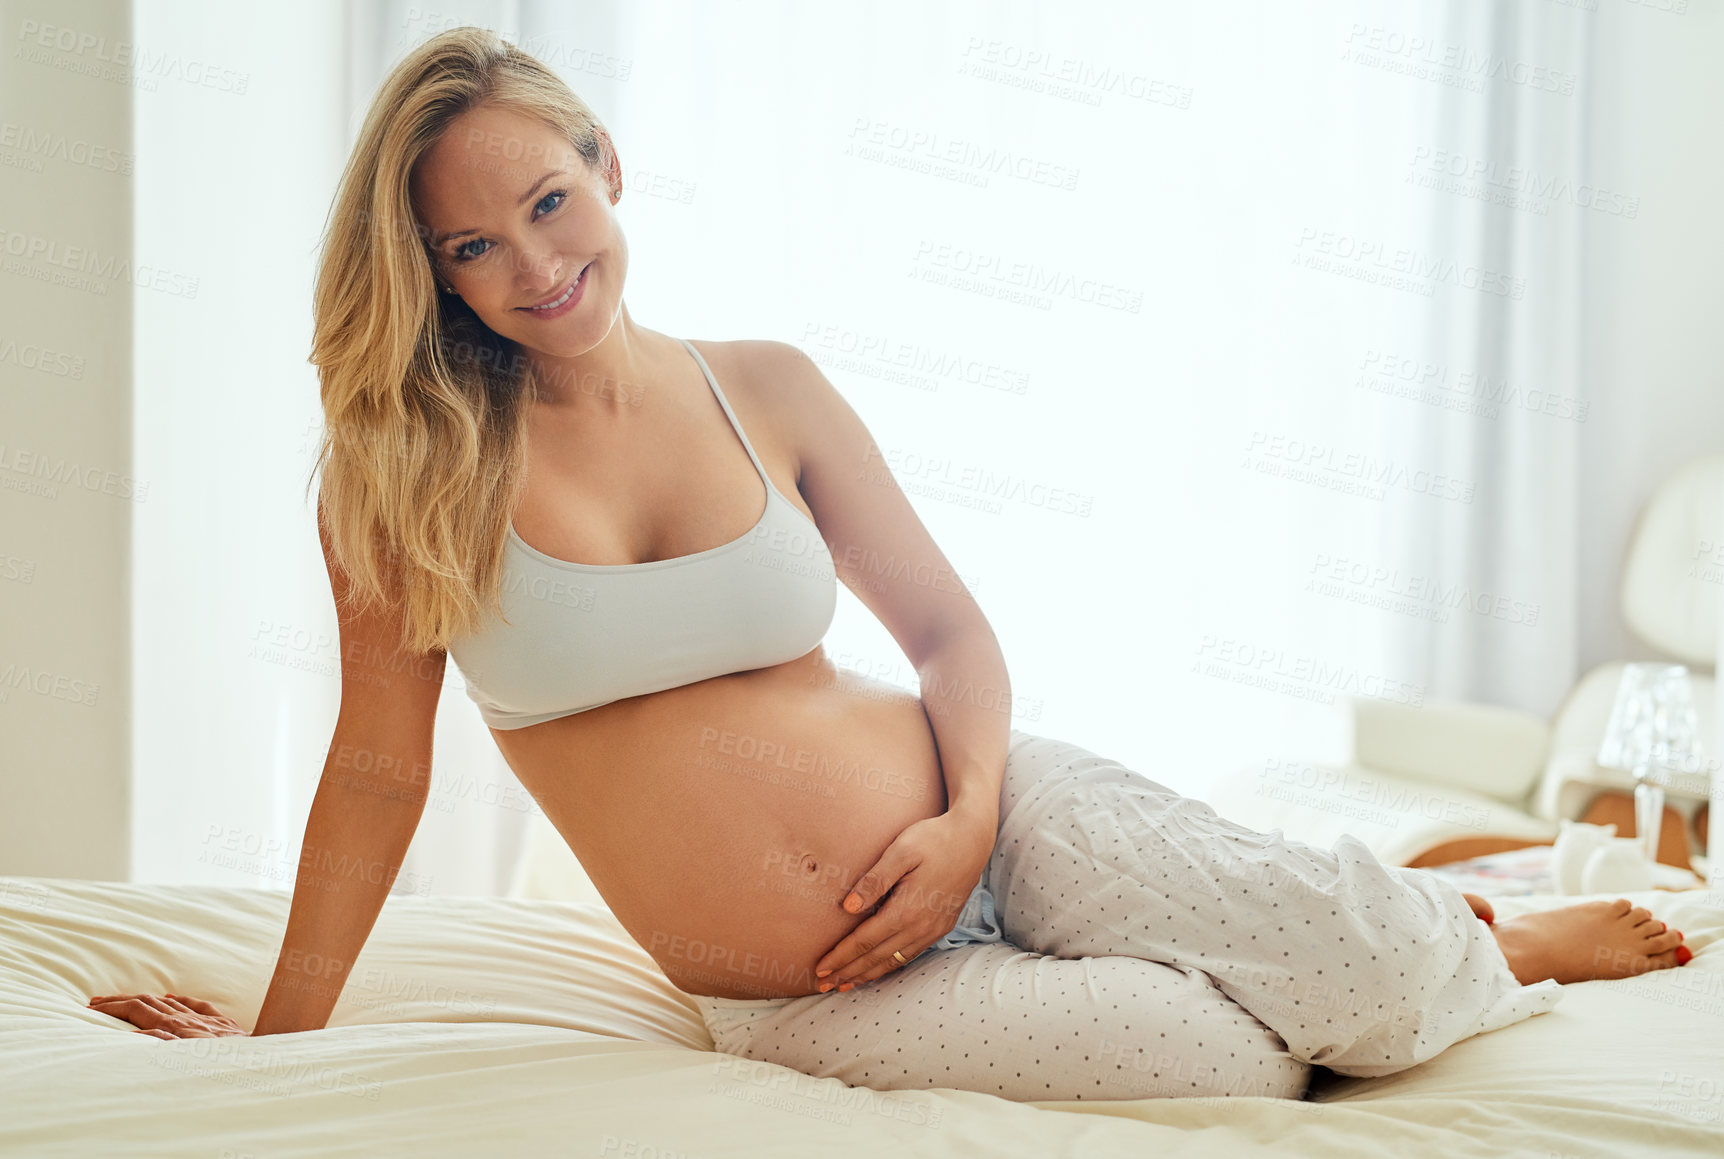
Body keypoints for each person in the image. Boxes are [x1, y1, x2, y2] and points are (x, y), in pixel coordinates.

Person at [90, 27, 1691, 1102]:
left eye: (550, 201)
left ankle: (1482, 931)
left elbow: (949, 636)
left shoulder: (764, 385)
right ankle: (1411, 934)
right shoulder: (408, 478)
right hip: (810, 989)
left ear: (608, 169)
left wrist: (969, 818)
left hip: (986, 808)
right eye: (472, 246)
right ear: (427, 272)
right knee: (1227, 1063)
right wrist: (273, 1040)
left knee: (1346, 963)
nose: (536, 264)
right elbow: (378, 769)